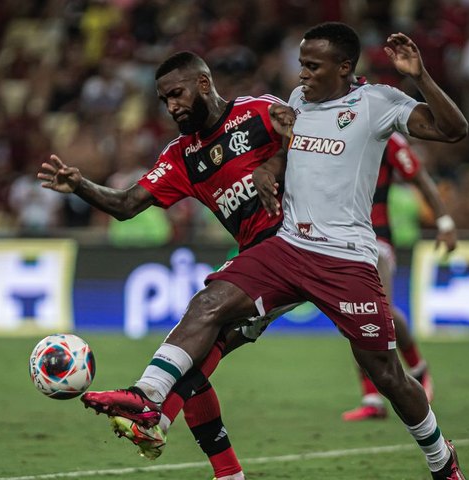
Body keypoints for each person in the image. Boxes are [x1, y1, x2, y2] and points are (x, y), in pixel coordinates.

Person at [81, 22, 468, 479]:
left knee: (386, 375)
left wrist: (419, 76)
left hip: (346, 256)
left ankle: (442, 460)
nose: (301, 74)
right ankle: (148, 398)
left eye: (312, 65)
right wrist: (272, 164)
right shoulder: (297, 103)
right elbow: (292, 147)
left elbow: (453, 129)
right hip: (286, 245)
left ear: (344, 67)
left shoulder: (377, 103)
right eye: (301, 63)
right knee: (209, 305)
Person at [38, 50, 292, 480]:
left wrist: (275, 161)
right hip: (257, 262)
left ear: (204, 85)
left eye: (176, 94)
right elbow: (125, 205)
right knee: (192, 355)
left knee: (200, 328)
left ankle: (155, 412)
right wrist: (80, 185)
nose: (171, 106)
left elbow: (307, 134)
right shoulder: (182, 156)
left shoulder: (258, 113)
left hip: (299, 246)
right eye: (164, 100)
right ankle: (214, 463)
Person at [343, 132, 457, 421]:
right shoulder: (333, 129)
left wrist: (444, 222)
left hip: (377, 237)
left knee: (377, 312)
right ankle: (372, 398)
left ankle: (418, 370)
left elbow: (419, 177)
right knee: (356, 314)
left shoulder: (385, 138)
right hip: (341, 237)